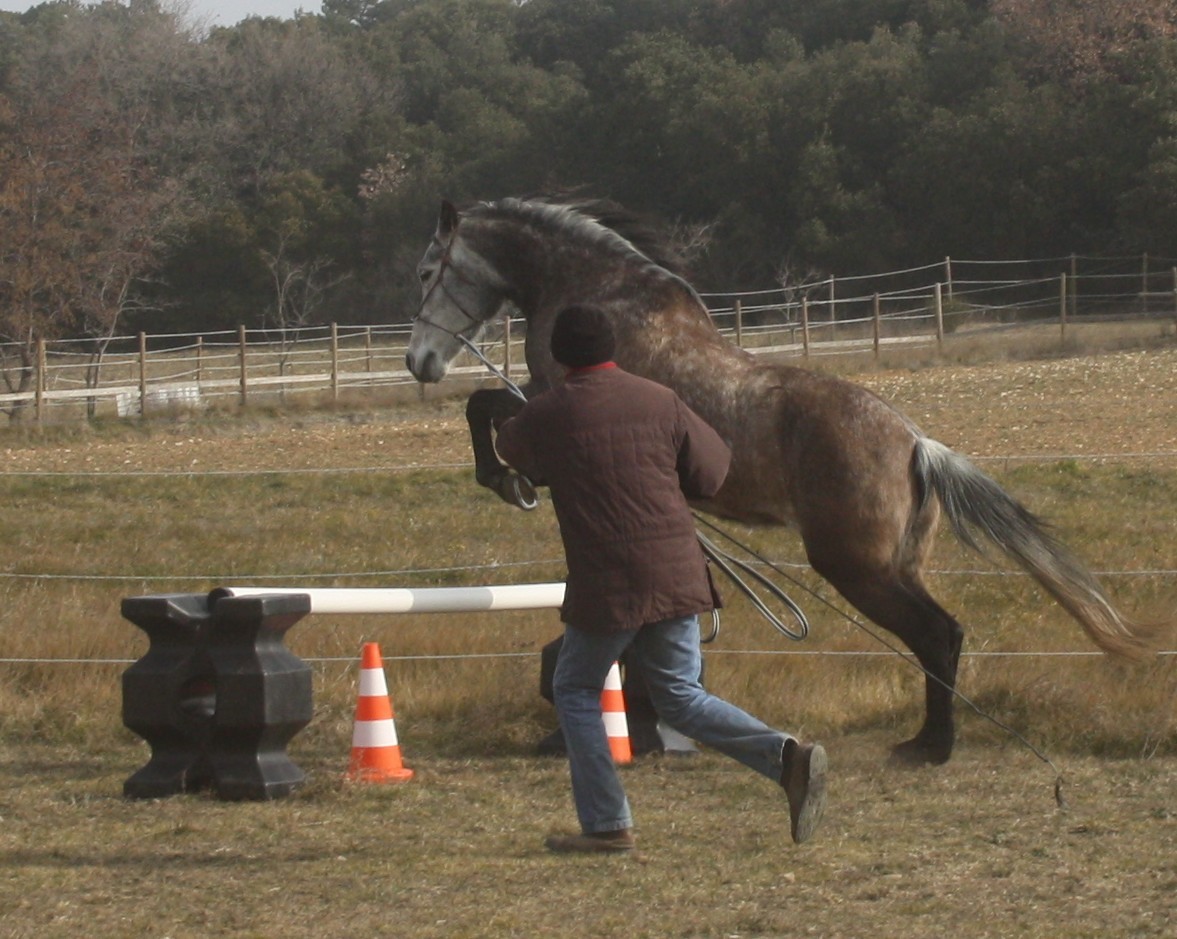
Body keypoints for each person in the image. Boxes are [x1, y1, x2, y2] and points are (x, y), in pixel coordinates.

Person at [495, 304, 827, 854]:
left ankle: (606, 824)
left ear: (557, 356)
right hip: (676, 568)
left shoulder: (549, 411)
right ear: (613, 349)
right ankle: (786, 756)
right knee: (681, 696)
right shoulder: (659, 399)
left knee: (576, 689)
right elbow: (713, 471)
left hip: (608, 585)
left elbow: (513, 451)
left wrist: (526, 410)